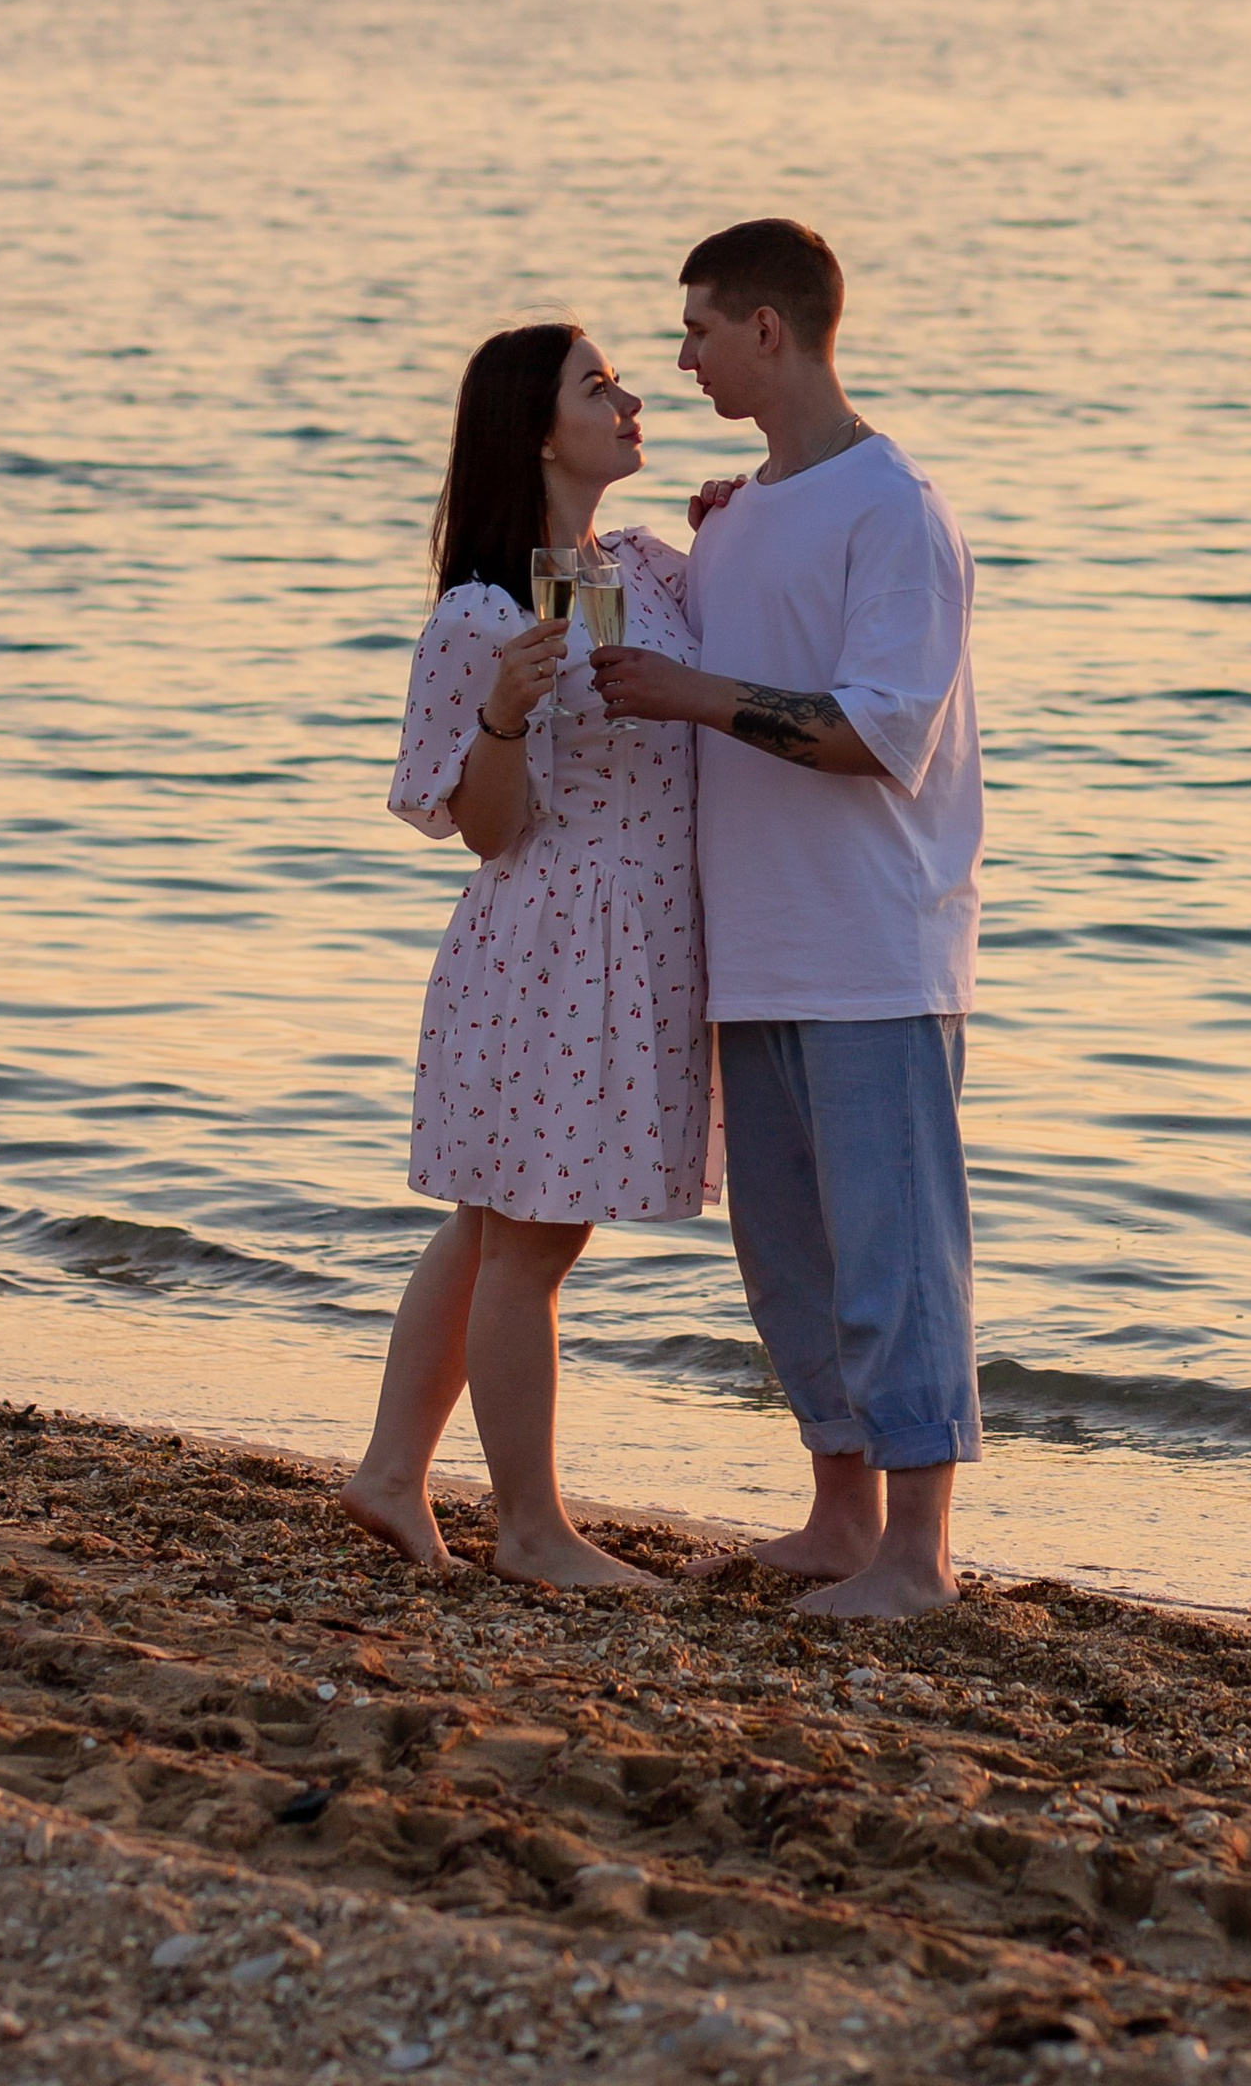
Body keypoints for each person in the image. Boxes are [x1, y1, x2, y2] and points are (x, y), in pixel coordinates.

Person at [593, 216, 982, 1620]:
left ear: (771, 330)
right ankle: (837, 1516)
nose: (681, 356)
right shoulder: (748, 510)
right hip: (746, 941)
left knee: (895, 1251)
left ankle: (919, 1558)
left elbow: (880, 733)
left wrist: (692, 696)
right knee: (789, 1256)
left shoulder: (898, 508)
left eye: (698, 329)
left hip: (874, 944)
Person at [341, 319, 717, 1588]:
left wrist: (746, 526)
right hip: (549, 945)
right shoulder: (480, 614)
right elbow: (487, 834)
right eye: (596, 385)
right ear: (534, 427)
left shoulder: (651, 568)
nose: (628, 400)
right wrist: (505, 709)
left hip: (639, 942)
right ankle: (531, 1529)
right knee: (533, 1239)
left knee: (494, 1225)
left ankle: (391, 1475)